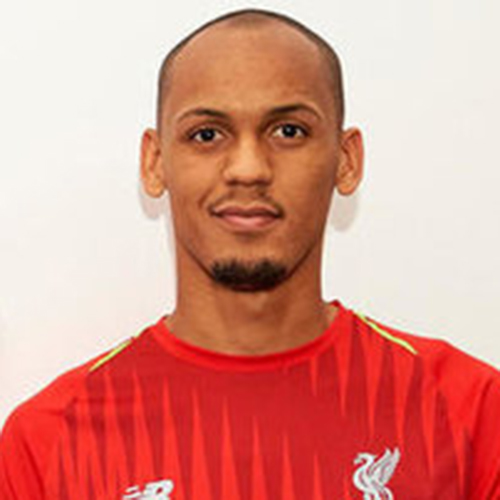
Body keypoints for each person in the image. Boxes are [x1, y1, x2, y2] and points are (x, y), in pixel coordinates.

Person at [1, 7, 499, 500]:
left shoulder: (474, 415)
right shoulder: (45, 443)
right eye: (206, 135)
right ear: (154, 163)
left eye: (288, 131)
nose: (247, 169)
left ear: (346, 161)